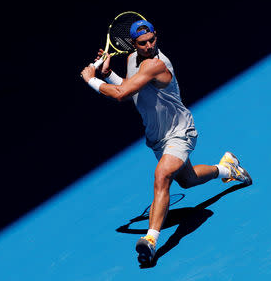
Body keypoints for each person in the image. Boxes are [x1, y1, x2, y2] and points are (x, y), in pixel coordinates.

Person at [80, 19, 252, 264]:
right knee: (187, 179)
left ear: (155, 36)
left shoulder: (156, 64)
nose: (149, 45)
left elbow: (121, 95)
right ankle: (228, 168)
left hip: (180, 132)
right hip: (159, 137)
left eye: (152, 40)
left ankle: (150, 242)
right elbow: (132, 89)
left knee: (162, 176)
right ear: (132, 44)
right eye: (143, 43)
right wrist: (109, 75)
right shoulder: (131, 60)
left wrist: (91, 80)